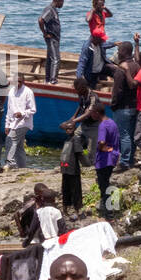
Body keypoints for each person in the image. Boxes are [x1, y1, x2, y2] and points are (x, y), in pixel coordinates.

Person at [59, 78, 94, 214]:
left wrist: (87, 164)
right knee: (70, 189)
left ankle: (71, 209)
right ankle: (71, 208)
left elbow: (79, 154)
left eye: (70, 128)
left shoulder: (71, 140)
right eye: (68, 128)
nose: (69, 129)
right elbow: (80, 155)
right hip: (69, 170)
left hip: (68, 169)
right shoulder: (72, 140)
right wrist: (87, 164)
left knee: (70, 189)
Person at [108, 42, 138, 170]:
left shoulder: (121, 70)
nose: (118, 53)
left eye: (119, 50)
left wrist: (113, 104)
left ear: (124, 52)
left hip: (123, 107)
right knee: (131, 135)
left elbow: (118, 91)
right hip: (134, 105)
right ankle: (130, 159)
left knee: (124, 135)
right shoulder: (136, 66)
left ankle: (124, 162)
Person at [89, 102, 120, 217]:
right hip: (113, 157)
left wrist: (100, 147)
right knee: (107, 183)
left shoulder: (102, 125)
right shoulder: (112, 122)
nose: (91, 115)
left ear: (97, 113)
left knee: (104, 186)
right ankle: (111, 209)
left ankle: (109, 213)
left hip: (104, 160)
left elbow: (101, 141)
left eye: (92, 112)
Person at [4, 72, 37, 170]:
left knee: (10, 140)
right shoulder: (11, 92)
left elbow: (33, 109)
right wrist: (7, 124)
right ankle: (22, 167)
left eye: (20, 81)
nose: (18, 83)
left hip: (24, 123)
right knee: (19, 147)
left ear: (23, 81)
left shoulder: (28, 92)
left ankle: (11, 164)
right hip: (13, 123)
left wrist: (22, 113)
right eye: (16, 81)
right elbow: (9, 110)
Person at [38, 0, 64, 84]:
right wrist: (45, 33)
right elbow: (41, 20)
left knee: (50, 59)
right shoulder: (50, 9)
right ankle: (53, 80)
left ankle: (48, 79)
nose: (62, 4)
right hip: (51, 38)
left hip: (54, 38)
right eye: (62, 2)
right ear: (58, 1)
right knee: (56, 59)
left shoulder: (54, 10)